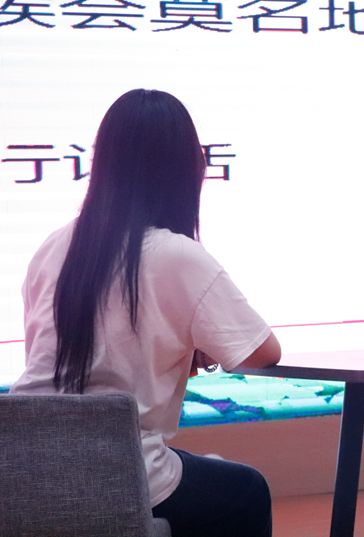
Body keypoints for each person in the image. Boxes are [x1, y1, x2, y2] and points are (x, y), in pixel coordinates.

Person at [12, 89, 282, 537]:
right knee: (246, 491)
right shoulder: (177, 255)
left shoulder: (55, 244)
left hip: (20, 472)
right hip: (121, 476)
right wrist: (195, 345)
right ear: (187, 169)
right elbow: (263, 352)